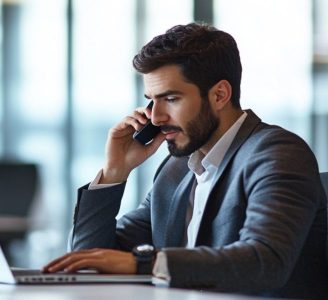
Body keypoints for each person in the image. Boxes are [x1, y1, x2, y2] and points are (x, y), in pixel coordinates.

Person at [43, 23, 328, 299]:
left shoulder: (276, 153)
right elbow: (90, 261)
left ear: (219, 95)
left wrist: (146, 264)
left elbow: (264, 261)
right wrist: (115, 171)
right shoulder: (177, 170)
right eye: (152, 100)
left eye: (171, 98)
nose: (155, 117)